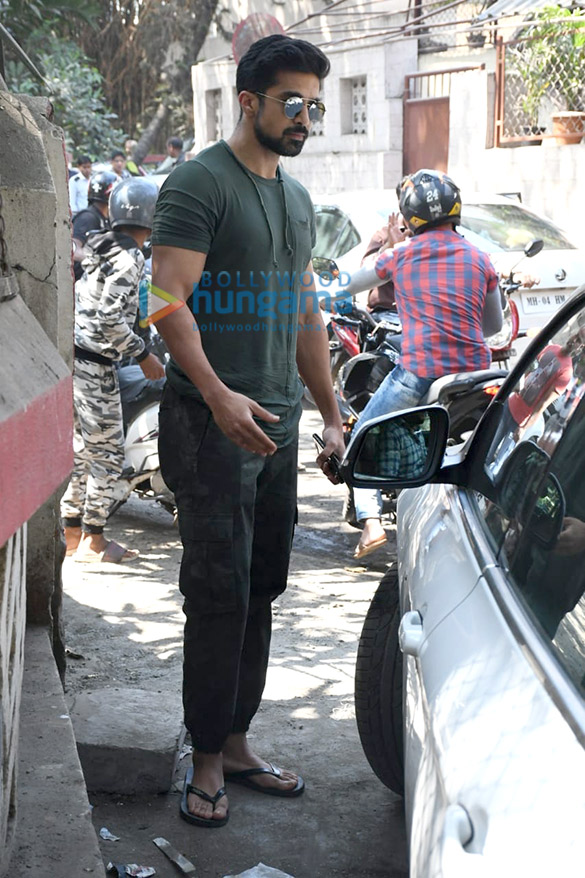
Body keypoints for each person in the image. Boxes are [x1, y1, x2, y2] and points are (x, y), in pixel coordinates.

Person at [150, 34, 343, 829]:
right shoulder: (200, 182)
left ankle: (234, 743)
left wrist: (330, 412)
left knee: (262, 587)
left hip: (277, 426)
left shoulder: (297, 200)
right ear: (249, 101)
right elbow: (162, 301)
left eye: (314, 106)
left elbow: (303, 312)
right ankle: (202, 763)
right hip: (210, 424)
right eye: (291, 102)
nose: (304, 118)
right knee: (218, 594)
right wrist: (219, 395)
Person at [341, 169, 503, 559]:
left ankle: (371, 522)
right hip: (476, 375)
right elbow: (493, 326)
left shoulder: (399, 256)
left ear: (409, 216)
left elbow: (349, 284)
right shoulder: (481, 259)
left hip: (420, 373)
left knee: (364, 433)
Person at [61, 177, 165, 563]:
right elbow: (109, 317)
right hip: (97, 364)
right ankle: (94, 539)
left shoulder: (104, 247)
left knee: (82, 454)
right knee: (107, 455)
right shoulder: (130, 257)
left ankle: (71, 533)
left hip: (78, 359)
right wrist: (143, 355)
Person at [71, 171, 118, 281]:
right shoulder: (88, 218)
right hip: (85, 283)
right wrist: (103, 264)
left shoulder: (107, 218)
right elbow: (73, 250)